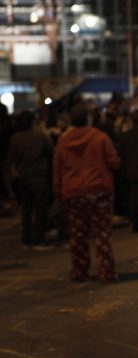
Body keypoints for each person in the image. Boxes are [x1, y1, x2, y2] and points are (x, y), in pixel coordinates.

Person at [53, 104, 121, 282]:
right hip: (98, 190)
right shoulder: (100, 138)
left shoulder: (63, 141)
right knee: (102, 233)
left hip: (73, 192)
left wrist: (59, 192)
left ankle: (79, 271)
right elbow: (113, 162)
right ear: (88, 118)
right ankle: (106, 271)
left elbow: (58, 170)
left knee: (77, 234)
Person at [7, 111, 53, 248]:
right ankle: (39, 237)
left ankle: (26, 238)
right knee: (40, 209)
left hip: (23, 177)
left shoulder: (15, 138)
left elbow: (11, 159)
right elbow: (51, 151)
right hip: (38, 176)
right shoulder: (40, 135)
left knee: (26, 210)